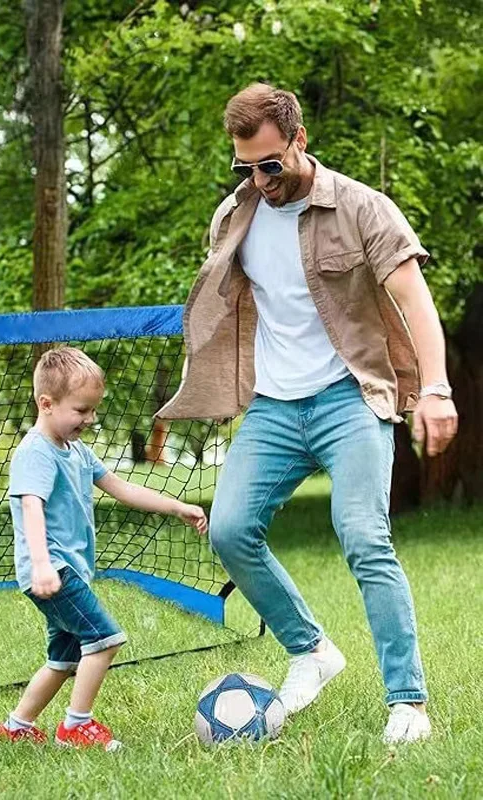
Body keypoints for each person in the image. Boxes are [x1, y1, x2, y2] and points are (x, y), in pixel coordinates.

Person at [157, 83, 458, 744]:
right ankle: (312, 649)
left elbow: (416, 299)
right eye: (245, 167)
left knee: (362, 534)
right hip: (272, 406)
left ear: (299, 142)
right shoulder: (232, 217)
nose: (260, 179)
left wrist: (434, 388)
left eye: (271, 163)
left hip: (349, 398)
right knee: (231, 531)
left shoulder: (360, 208)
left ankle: (407, 703)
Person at [0, 346, 208, 750]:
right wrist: (42, 565)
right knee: (105, 639)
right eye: (81, 410)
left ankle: (17, 725)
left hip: (67, 571)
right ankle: (77, 727)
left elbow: (121, 488)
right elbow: (31, 509)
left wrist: (175, 506)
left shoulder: (77, 451)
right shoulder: (35, 454)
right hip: (53, 571)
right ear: (46, 403)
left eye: (93, 410)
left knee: (64, 660)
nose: (90, 419)